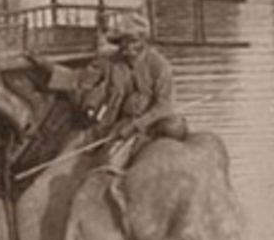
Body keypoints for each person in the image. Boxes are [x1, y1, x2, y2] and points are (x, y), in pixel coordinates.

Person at [67, 10, 189, 156]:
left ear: (143, 41)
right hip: (123, 119)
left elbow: (164, 105)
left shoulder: (159, 65)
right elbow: (94, 85)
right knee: (97, 149)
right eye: (123, 42)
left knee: (172, 128)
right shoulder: (113, 62)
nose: (127, 47)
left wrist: (137, 125)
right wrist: (90, 105)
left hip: (154, 121)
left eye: (133, 41)